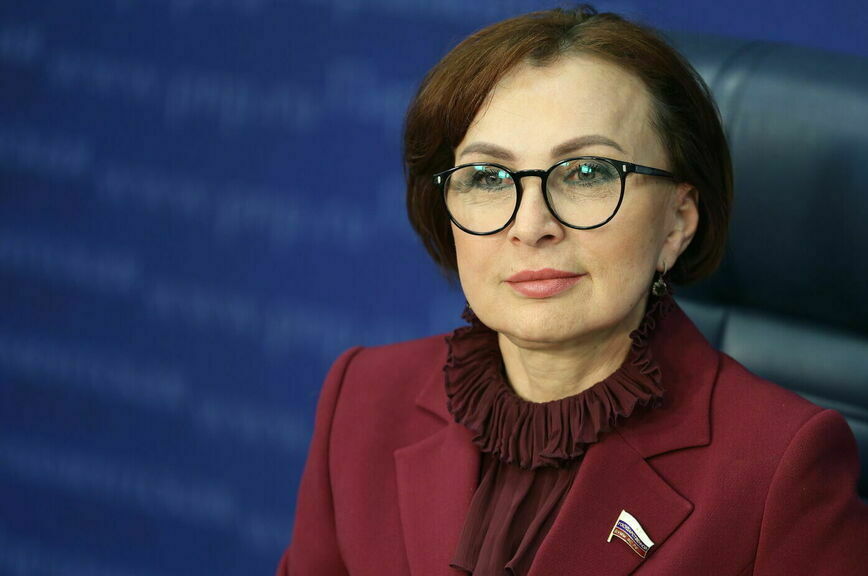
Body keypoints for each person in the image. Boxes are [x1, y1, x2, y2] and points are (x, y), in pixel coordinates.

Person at [277, 6, 868, 575]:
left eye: (587, 173)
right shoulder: (362, 398)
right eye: (486, 177)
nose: (531, 225)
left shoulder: (779, 468)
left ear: (677, 222)